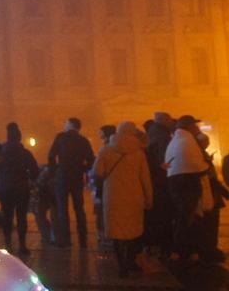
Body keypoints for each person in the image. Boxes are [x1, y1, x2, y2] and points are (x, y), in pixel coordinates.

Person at [94, 121, 153, 278]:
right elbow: (145, 178)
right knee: (133, 232)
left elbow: (98, 171)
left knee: (117, 232)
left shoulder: (106, 150)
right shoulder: (139, 152)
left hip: (113, 196)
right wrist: (149, 197)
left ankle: (122, 266)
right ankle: (130, 261)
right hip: (134, 196)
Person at [164, 114, 208, 262]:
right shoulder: (188, 141)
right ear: (189, 127)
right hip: (188, 182)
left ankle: (184, 249)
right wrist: (206, 166)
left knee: (183, 216)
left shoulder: (176, 140)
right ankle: (183, 249)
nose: (197, 128)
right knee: (187, 217)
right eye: (195, 126)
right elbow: (196, 164)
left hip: (176, 181)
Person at [48, 117, 95, 247]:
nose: (64, 125)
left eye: (66, 123)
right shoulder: (83, 141)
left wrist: (54, 171)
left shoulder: (61, 137)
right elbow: (91, 160)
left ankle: (65, 239)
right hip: (77, 177)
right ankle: (82, 237)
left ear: (70, 125)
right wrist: (82, 169)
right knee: (79, 208)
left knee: (62, 209)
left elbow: (51, 155)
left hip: (62, 176)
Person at [0, 122, 39, 256]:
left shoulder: (1, 153)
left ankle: (8, 245)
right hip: (21, 189)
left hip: (5, 188)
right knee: (21, 217)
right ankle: (22, 245)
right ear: (19, 138)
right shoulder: (25, 153)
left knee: (7, 217)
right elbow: (35, 171)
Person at [144, 111, 175, 258]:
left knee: (156, 215)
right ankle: (163, 246)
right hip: (161, 183)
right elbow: (164, 162)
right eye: (169, 119)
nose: (171, 122)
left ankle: (154, 244)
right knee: (163, 215)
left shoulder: (152, 134)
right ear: (163, 120)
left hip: (154, 182)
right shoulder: (163, 137)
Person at [197, 132, 228, 263]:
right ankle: (210, 249)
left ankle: (209, 248)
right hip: (210, 194)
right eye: (206, 141)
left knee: (210, 222)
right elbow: (210, 177)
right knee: (210, 223)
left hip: (210, 194)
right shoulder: (200, 156)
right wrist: (223, 190)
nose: (208, 143)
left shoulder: (199, 154)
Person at [91, 124, 116, 248]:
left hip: (103, 186)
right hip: (115, 186)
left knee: (101, 212)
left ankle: (104, 236)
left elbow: (97, 171)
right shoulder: (119, 148)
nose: (99, 135)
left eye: (101, 133)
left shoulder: (105, 149)